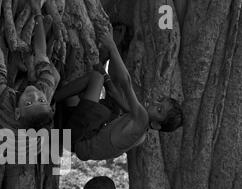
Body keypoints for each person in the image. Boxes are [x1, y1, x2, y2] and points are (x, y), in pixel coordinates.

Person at [54, 29, 184, 161]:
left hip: (80, 140)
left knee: (96, 78)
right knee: (72, 91)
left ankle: (51, 99)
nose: (155, 104)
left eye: (159, 110)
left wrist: (112, 46)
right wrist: (106, 76)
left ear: (156, 125)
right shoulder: (141, 133)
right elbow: (115, 94)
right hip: (76, 144)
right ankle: (58, 126)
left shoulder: (142, 118)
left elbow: (126, 83)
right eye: (159, 101)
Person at [0, 0, 60, 132]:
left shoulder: (5, 103)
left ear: (17, 113)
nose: (34, 95)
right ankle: (32, 74)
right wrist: (37, 12)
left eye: (28, 103)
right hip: (36, 142)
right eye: (41, 100)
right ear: (49, 105)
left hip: (7, 145)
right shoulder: (45, 93)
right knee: (54, 76)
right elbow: (41, 54)